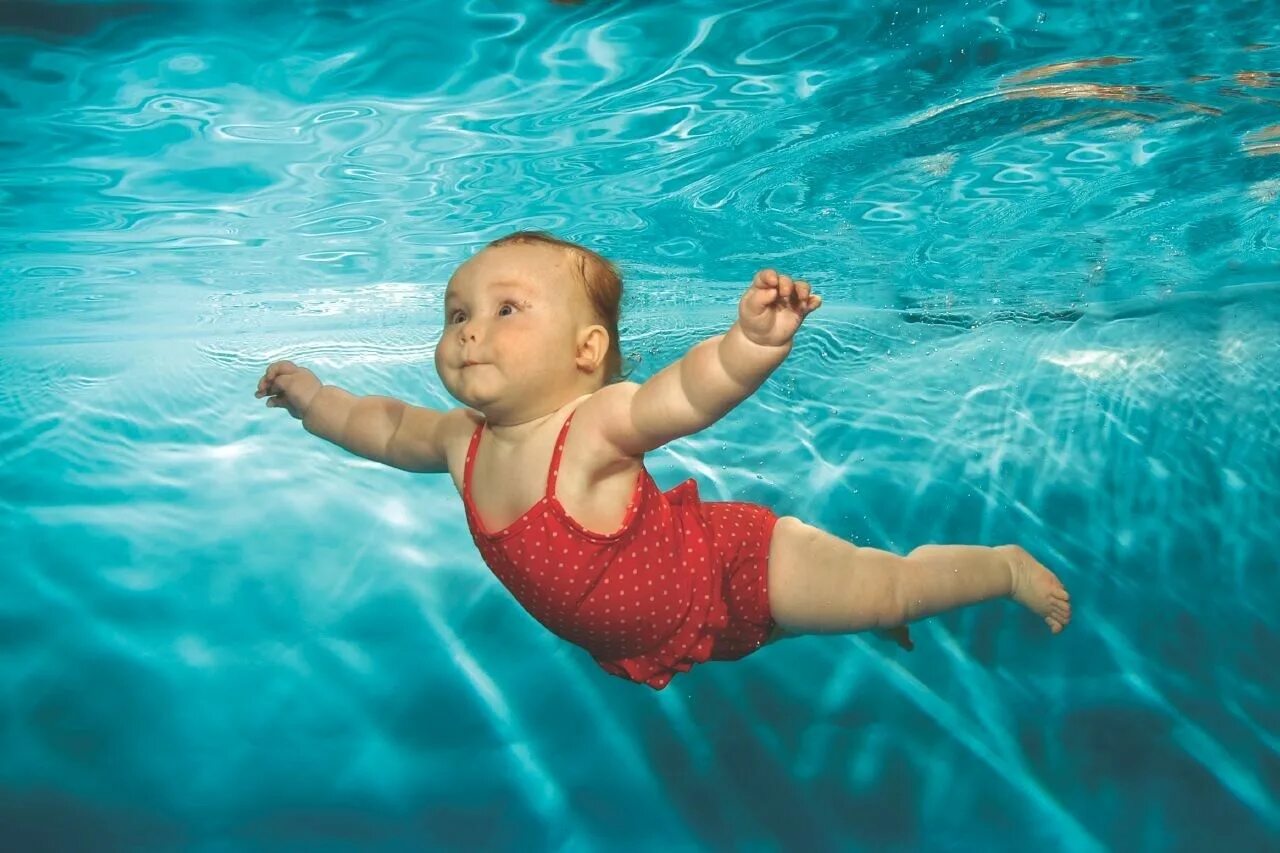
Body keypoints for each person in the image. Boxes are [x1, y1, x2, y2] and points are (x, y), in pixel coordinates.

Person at [255, 231, 1071, 690]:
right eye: (457, 312)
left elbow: (683, 394)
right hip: (695, 629)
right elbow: (384, 425)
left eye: (507, 310)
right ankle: (854, 606)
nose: (469, 329)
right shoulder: (459, 440)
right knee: (819, 616)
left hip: (738, 568)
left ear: (587, 349)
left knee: (889, 584)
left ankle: (997, 568)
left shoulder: (594, 426)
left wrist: (748, 344)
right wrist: (313, 398)